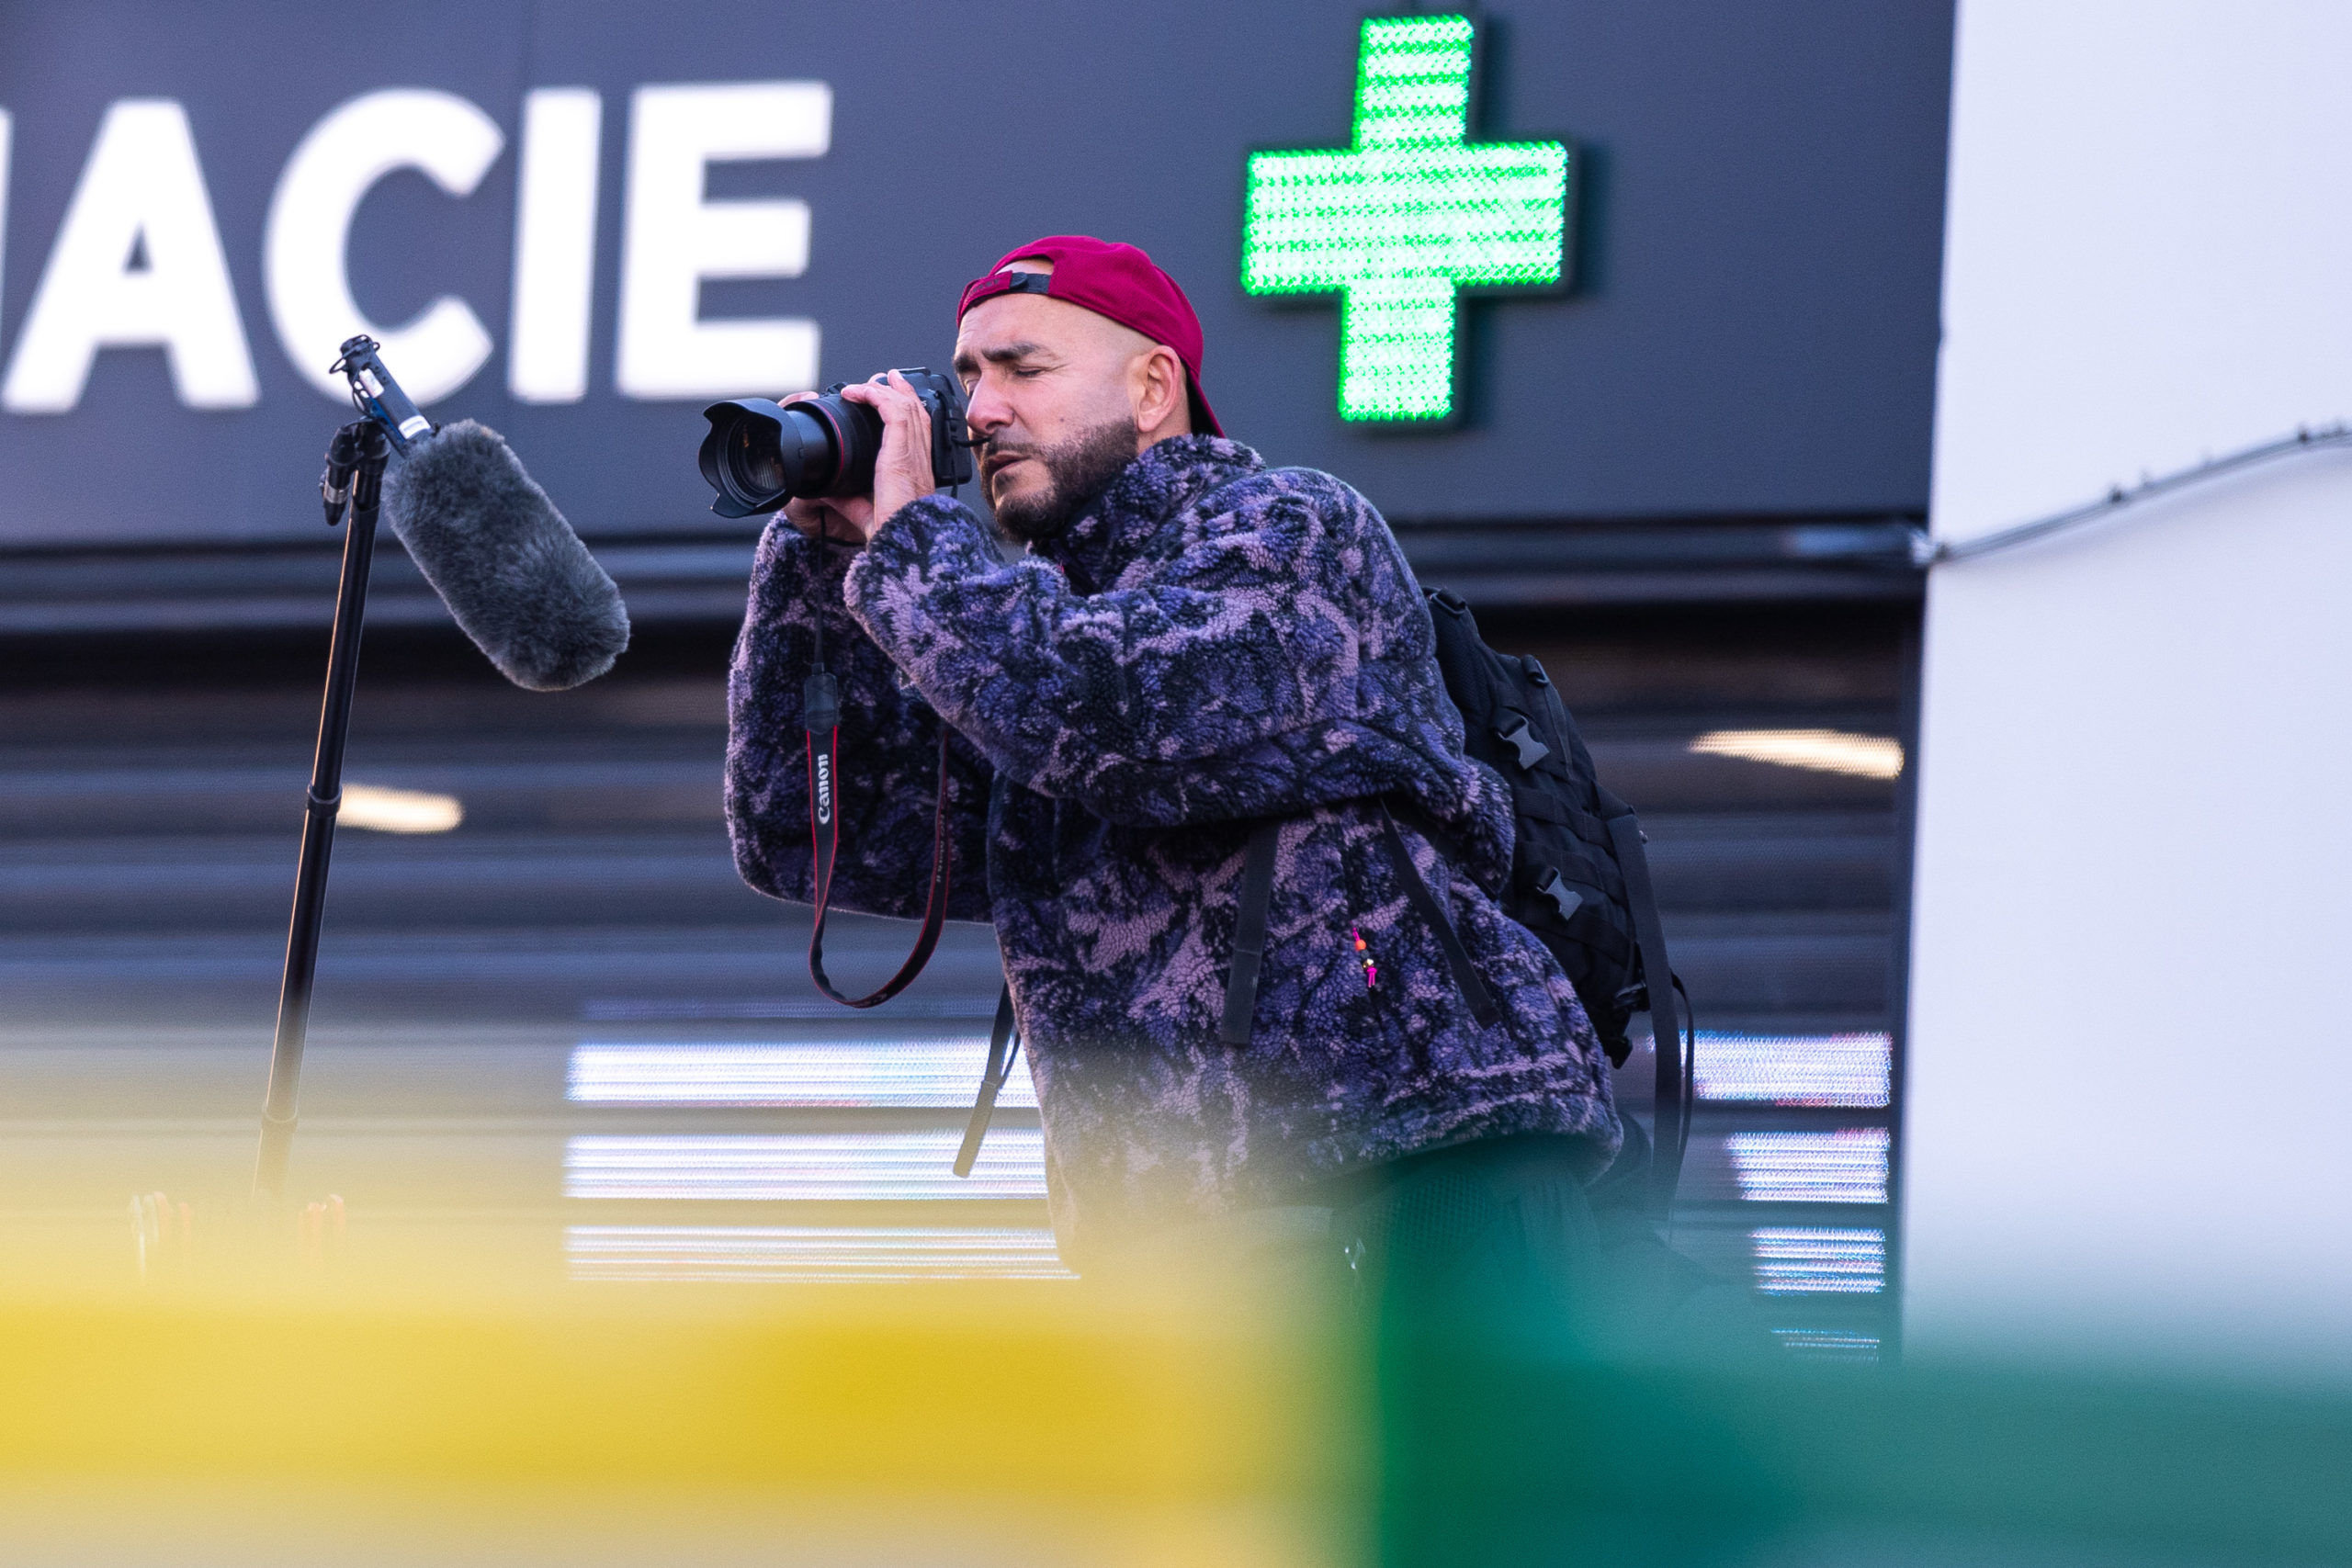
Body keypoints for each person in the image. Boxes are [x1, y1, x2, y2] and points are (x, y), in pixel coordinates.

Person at [725, 235, 1628, 1321]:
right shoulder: (1009, 635)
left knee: (1466, 1444)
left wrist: (916, 545)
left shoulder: (1293, 531)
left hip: (1414, 1161)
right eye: (967, 380)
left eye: (1023, 369)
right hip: (1185, 1223)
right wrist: (822, 567)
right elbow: (818, 838)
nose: (980, 412)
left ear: (1154, 387)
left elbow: (1115, 714)